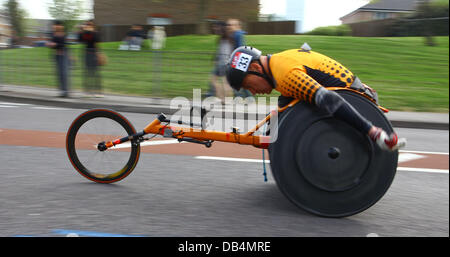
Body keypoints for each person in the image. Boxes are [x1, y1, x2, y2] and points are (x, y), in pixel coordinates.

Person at [225, 45, 406, 151]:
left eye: (249, 86)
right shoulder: (277, 64)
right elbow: (285, 103)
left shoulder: (285, 74)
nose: (253, 92)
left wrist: (373, 132)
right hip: (354, 93)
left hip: (357, 101)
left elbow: (328, 99)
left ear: (256, 69)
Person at [226, 18, 252, 99]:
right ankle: (246, 97)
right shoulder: (235, 35)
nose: (228, 26)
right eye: (228, 25)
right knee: (239, 80)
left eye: (230, 25)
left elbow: (240, 49)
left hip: (239, 60)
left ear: (237, 26)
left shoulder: (237, 35)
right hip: (239, 60)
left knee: (236, 79)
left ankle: (241, 97)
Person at [78, 20, 103, 97]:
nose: (88, 26)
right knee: (87, 73)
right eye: (87, 25)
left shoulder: (95, 33)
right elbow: (80, 41)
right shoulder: (84, 33)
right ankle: (87, 91)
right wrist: (81, 31)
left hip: (94, 53)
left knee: (95, 73)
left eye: (90, 25)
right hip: (86, 53)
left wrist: (98, 54)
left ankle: (98, 92)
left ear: (93, 26)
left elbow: (97, 43)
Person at [210, 21, 234, 105]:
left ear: (221, 28)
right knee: (214, 81)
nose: (215, 29)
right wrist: (215, 58)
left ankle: (226, 99)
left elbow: (227, 52)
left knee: (225, 83)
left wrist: (226, 63)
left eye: (216, 27)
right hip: (220, 63)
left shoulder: (227, 39)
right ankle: (223, 98)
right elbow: (220, 51)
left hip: (224, 64)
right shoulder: (221, 38)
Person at [46, 20, 70, 97]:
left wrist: (54, 44)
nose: (55, 26)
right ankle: (62, 91)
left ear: (61, 26)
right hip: (57, 55)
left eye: (57, 25)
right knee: (59, 74)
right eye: (55, 25)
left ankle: (66, 91)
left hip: (63, 55)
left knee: (64, 74)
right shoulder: (53, 34)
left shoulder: (63, 34)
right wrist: (50, 44)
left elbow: (63, 44)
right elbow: (52, 44)